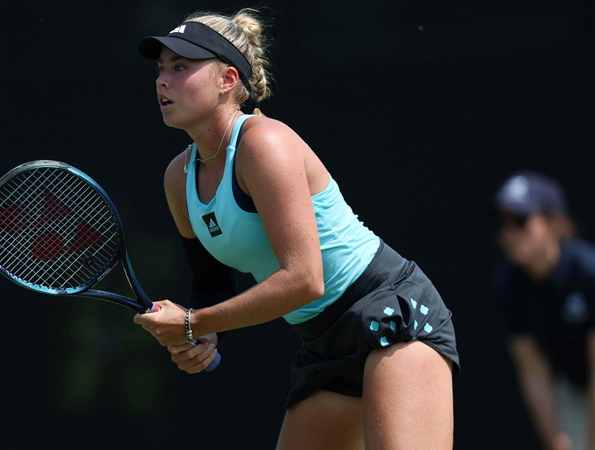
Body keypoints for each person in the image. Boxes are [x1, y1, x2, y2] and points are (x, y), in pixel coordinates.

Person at [132, 8, 460, 449]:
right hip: (322, 342)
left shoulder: (264, 144)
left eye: (181, 67)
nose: (163, 81)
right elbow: (211, 285)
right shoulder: (179, 178)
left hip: (389, 311)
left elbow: (305, 279)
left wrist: (193, 323)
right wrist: (205, 334)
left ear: (228, 80)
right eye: (160, 69)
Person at [491, 170, 595, 450]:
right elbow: (533, 370)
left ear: (555, 224)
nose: (509, 234)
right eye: (503, 224)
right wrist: (556, 441)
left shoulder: (589, 273)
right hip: (573, 388)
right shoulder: (509, 284)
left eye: (521, 221)